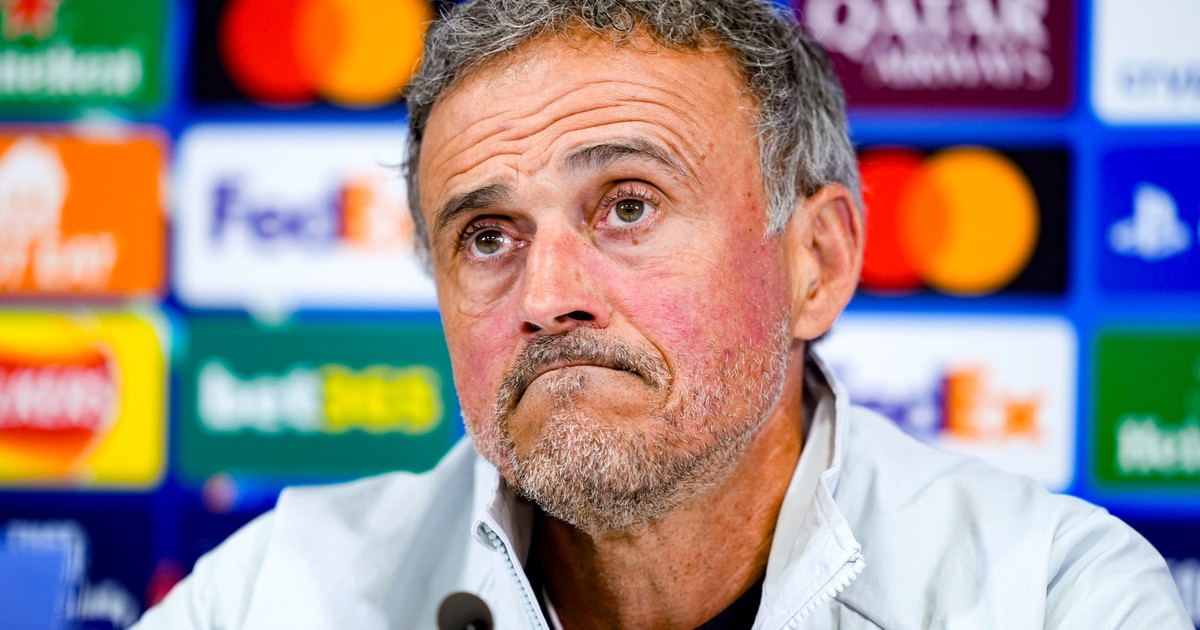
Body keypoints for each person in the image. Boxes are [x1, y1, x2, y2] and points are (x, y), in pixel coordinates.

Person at [136, 0, 1191, 628]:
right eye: (488, 236)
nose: (547, 297)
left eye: (628, 206)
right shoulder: (275, 597)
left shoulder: (1050, 596)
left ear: (816, 263)